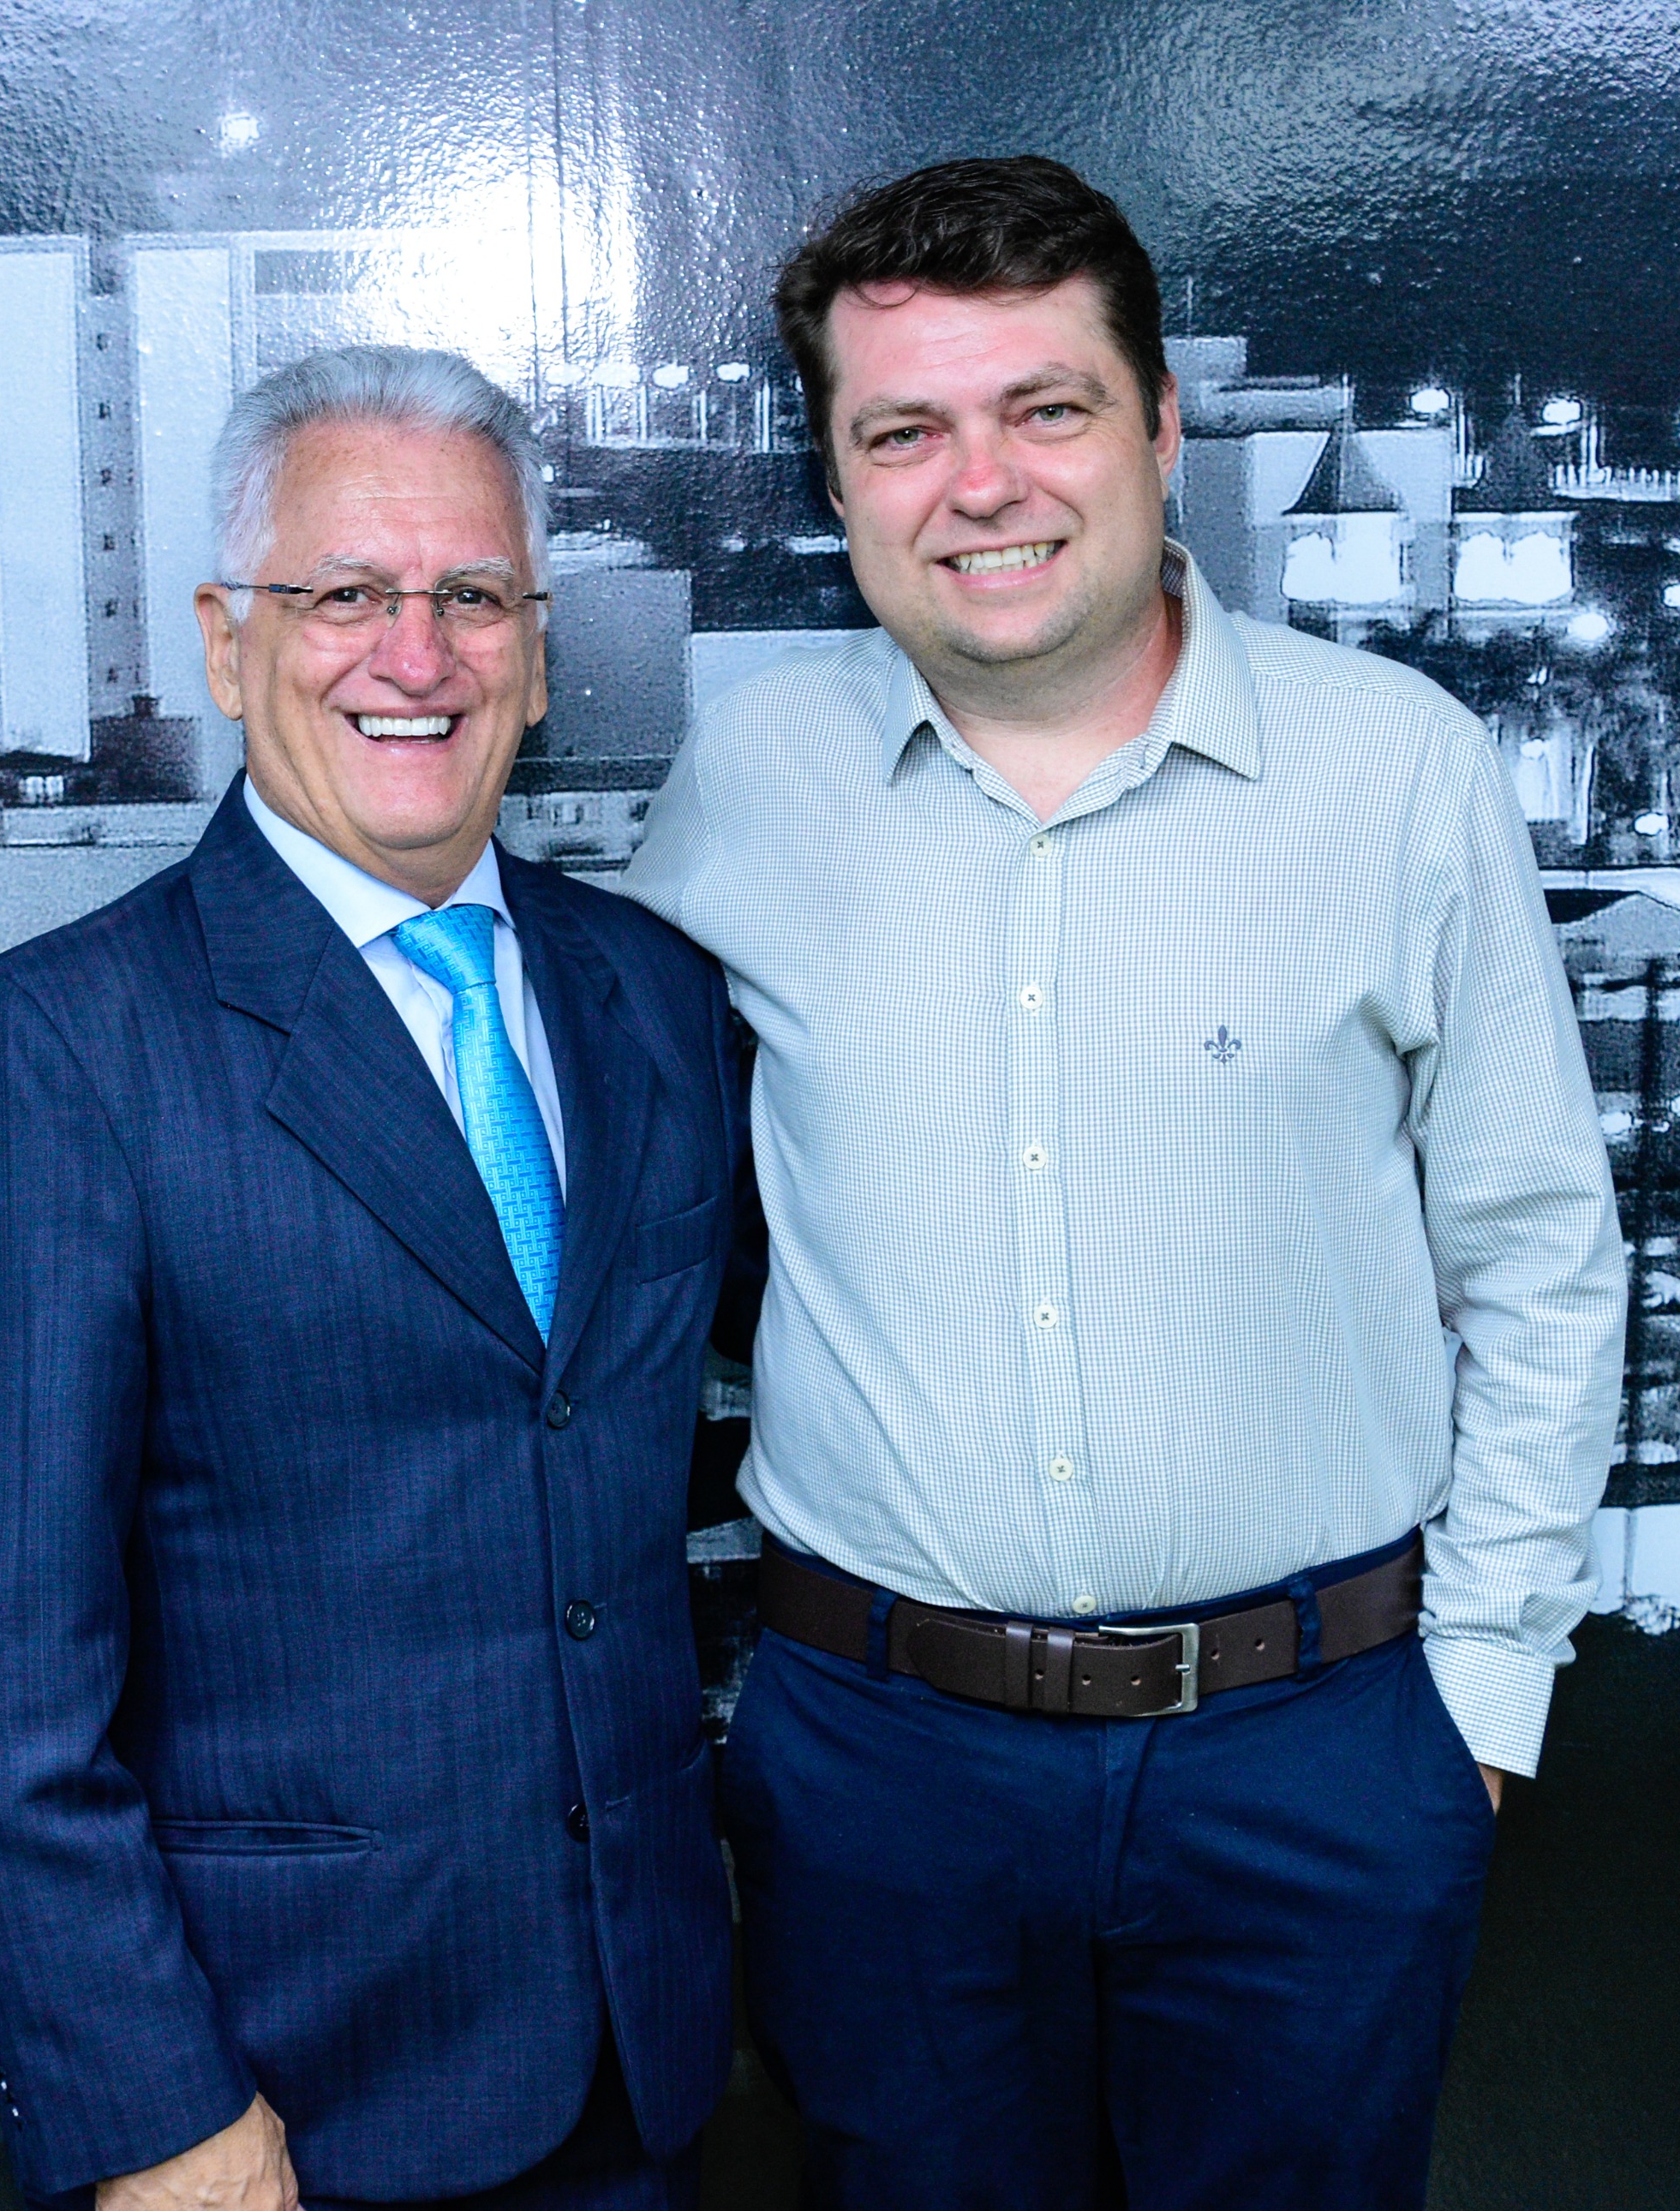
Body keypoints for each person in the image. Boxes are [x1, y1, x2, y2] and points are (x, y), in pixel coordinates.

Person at [620, 157, 1626, 2208]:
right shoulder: (746, 780)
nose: (978, 484)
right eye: (904, 430)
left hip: (1314, 1755)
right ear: (837, 479)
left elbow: (1537, 1253)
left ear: (1159, 430)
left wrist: (1481, 1704)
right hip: (879, 1768)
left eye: (1045, 408)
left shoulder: (1398, 769)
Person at [0, 345, 738, 2211]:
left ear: (537, 648)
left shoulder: (651, 995)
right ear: (225, 640)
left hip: (645, 2061)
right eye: (344, 593)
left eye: (473, 596)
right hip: (276, 2105)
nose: (416, 656)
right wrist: (154, 2111)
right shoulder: (52, 1052)